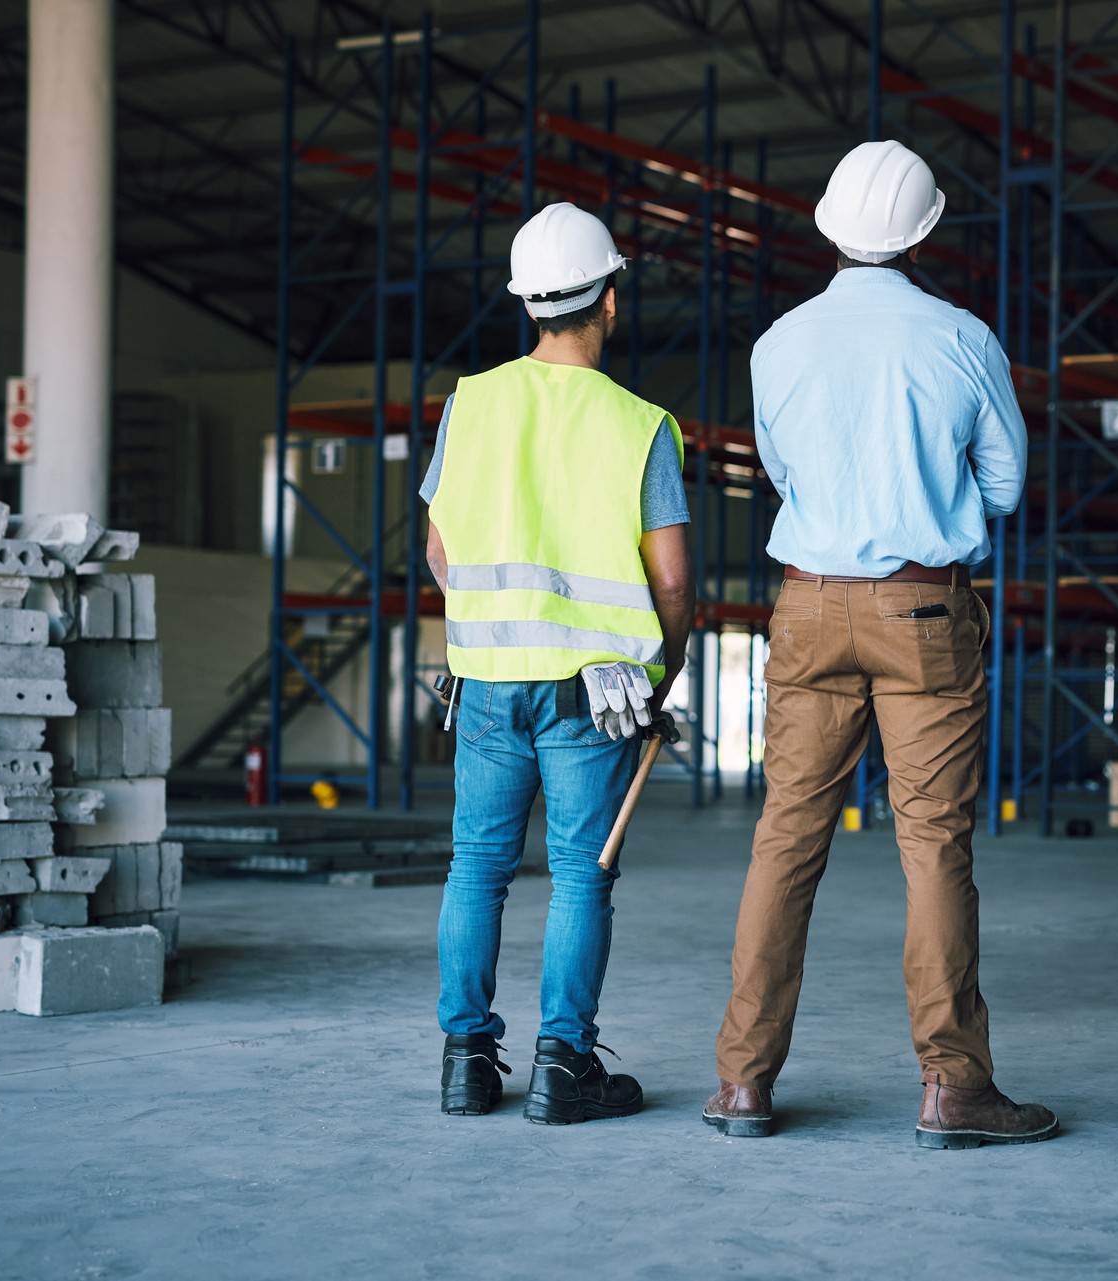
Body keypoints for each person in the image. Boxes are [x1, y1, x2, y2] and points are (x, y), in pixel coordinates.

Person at [704, 141, 1053, 1149]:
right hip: (925, 610)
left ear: (829, 227)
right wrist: (926, 502)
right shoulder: (963, 339)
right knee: (932, 844)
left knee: (785, 838)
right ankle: (955, 1090)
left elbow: (783, 471)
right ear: (924, 232)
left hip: (808, 606)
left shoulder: (778, 344)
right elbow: (1005, 487)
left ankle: (742, 1083)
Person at [422, 202, 696, 1122]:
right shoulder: (640, 424)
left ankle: (466, 1061)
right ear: (609, 301)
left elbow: (439, 549)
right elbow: (673, 583)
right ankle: (563, 1066)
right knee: (582, 873)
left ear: (528, 304)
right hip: (594, 693)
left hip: (487, 683)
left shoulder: (471, 403)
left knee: (476, 868)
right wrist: (659, 676)